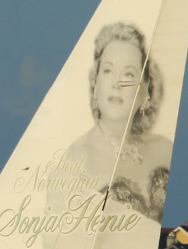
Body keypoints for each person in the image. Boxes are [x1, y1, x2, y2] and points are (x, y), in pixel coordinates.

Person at [66, 22, 171, 220]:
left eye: (129, 75)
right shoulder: (75, 159)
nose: (117, 84)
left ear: (146, 92)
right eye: (107, 71)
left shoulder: (164, 149)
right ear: (95, 84)